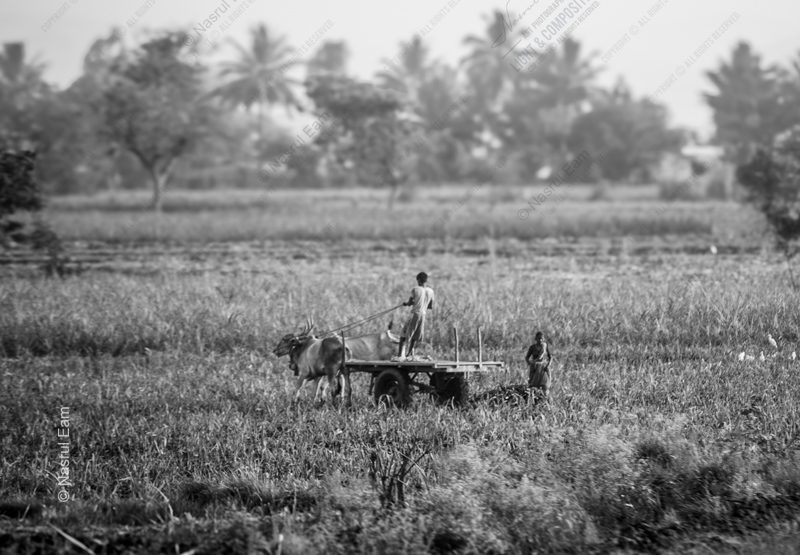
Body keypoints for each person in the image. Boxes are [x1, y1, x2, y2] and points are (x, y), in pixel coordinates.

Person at [397, 272, 434, 360]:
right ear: (426, 280)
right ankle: (408, 355)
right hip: (423, 315)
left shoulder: (415, 289)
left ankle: (399, 356)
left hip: (415, 314)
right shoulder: (431, 291)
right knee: (416, 336)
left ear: (418, 280)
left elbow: (410, 302)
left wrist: (407, 304)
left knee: (404, 334)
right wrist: (421, 303)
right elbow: (430, 306)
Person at [525, 331, 552, 400]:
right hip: (535, 367)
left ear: (543, 339)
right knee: (532, 384)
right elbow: (527, 357)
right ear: (535, 339)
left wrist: (548, 365)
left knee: (544, 385)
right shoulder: (532, 347)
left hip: (543, 367)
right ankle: (533, 399)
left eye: (541, 339)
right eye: (538, 338)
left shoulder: (544, 346)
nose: (540, 340)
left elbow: (550, 357)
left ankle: (544, 399)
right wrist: (530, 364)